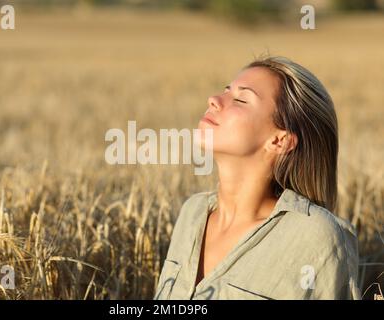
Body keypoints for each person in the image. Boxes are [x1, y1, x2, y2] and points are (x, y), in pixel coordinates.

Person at [154, 56, 361, 300]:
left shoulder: (316, 236)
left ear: (279, 141)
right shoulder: (192, 213)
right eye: (226, 91)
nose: (214, 100)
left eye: (241, 99)